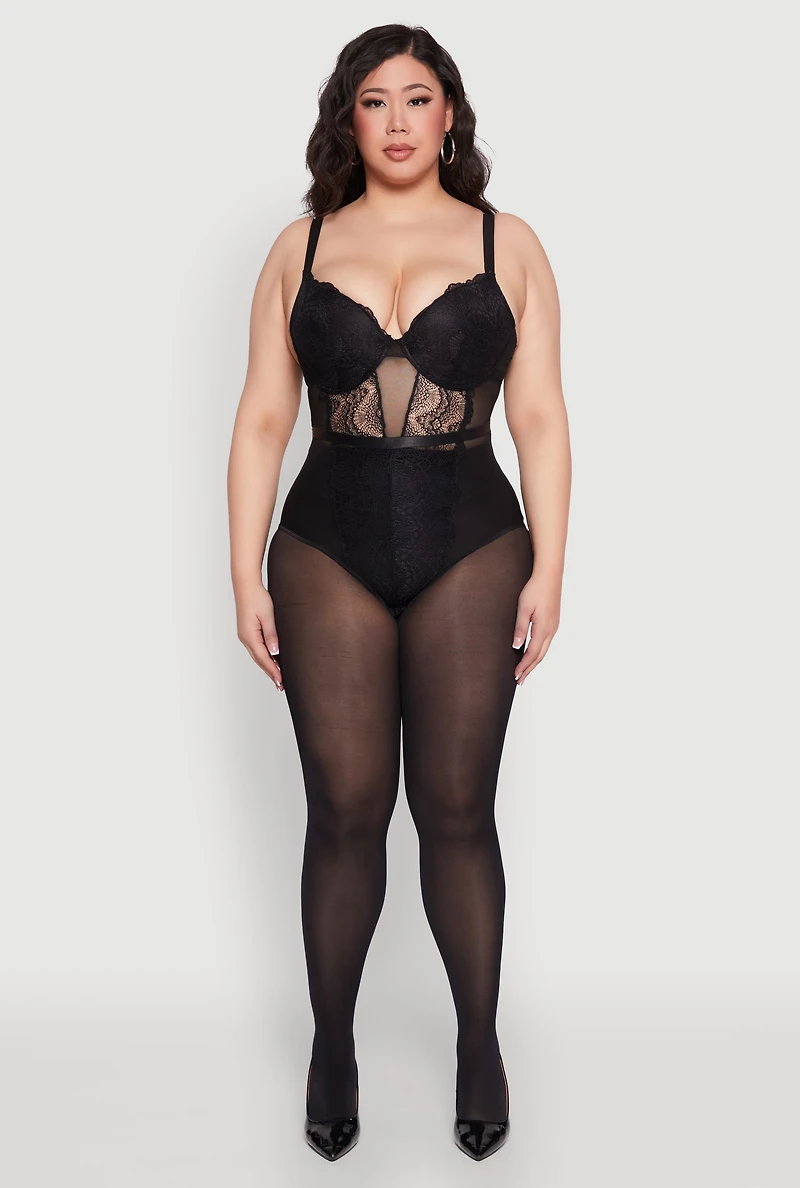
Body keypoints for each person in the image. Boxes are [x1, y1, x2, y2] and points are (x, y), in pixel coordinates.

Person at [227, 23, 571, 1163]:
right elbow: (264, 417)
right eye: (373, 102)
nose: (397, 122)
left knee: (458, 809)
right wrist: (240, 571)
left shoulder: (506, 241)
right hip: (324, 547)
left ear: (450, 114)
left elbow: (539, 417)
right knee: (343, 810)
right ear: (348, 119)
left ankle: (478, 1044)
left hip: (473, 542)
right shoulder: (301, 244)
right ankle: (332, 1046)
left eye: (416, 99)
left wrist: (552, 566)